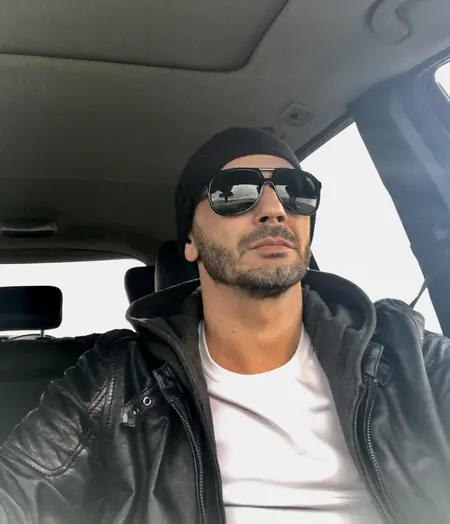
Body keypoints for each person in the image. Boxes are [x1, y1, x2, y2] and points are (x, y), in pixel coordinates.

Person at [0, 126, 449, 524]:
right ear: (191, 242)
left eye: (295, 190)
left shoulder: (406, 353)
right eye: (234, 193)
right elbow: (18, 490)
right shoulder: (115, 379)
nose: (274, 209)